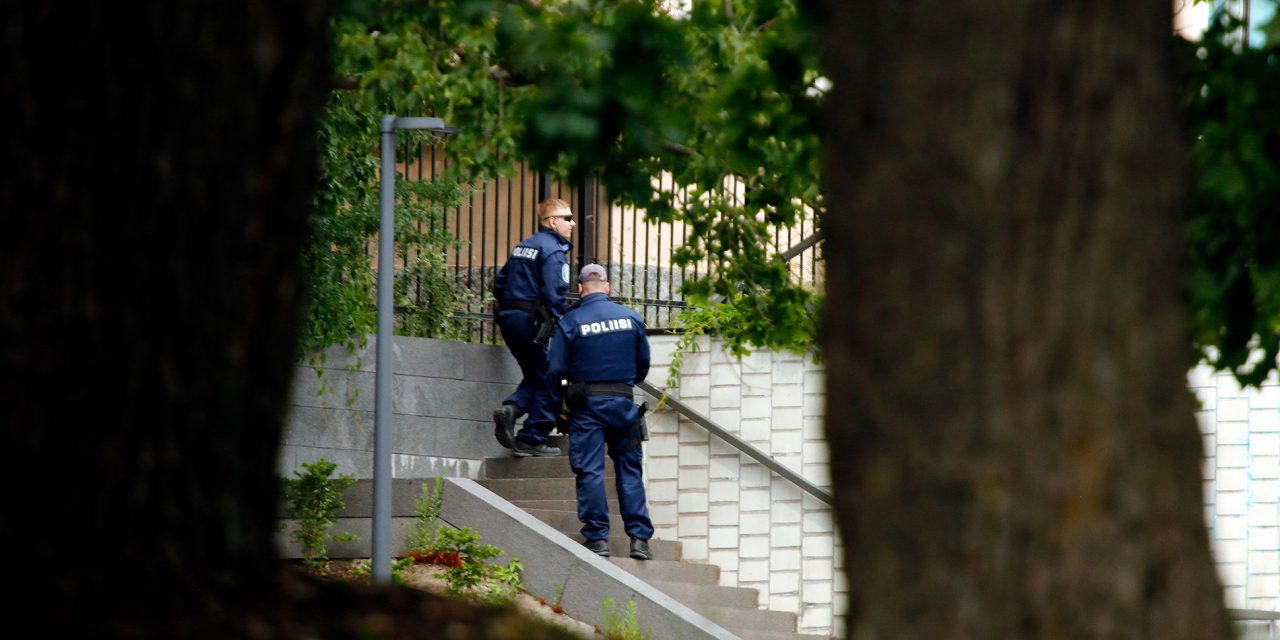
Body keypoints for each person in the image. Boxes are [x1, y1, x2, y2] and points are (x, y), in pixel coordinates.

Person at [547, 263, 655, 560]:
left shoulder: (571, 321)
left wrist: (561, 405)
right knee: (629, 471)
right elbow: (642, 365)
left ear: (580, 289)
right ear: (608, 288)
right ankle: (639, 540)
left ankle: (598, 539)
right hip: (623, 404)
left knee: (591, 471)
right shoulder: (631, 318)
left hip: (588, 407)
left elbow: (555, 370)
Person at [491, 198, 576, 458]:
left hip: (509, 319)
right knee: (551, 377)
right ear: (552, 222)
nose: (572, 223)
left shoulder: (523, 246)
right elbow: (554, 294)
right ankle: (532, 437)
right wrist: (567, 325)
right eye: (567, 218)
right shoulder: (553, 251)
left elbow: (498, 284)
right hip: (531, 322)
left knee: (536, 373)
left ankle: (512, 409)